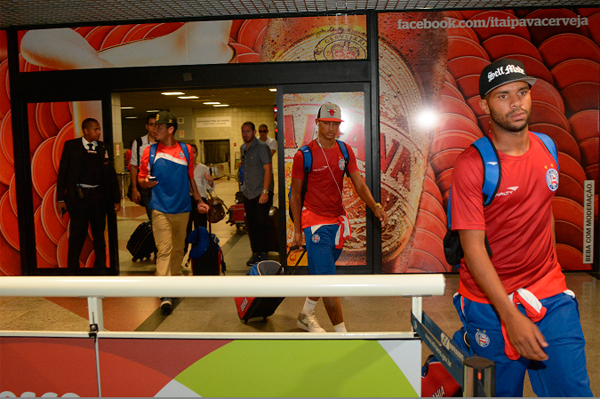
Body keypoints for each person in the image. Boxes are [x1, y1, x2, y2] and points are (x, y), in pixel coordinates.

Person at [450, 59, 592, 397]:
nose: (516, 103)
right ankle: (469, 337)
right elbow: (472, 250)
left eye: (522, 92)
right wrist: (510, 317)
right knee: (501, 393)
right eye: (503, 96)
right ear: (484, 104)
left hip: (550, 294)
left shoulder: (548, 147)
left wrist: (551, 271)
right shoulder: (473, 165)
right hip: (490, 301)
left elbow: (545, 211)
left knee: (573, 390)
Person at [290, 103, 388, 332]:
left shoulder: (345, 151)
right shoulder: (303, 155)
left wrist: (374, 206)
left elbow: (359, 183)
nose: (331, 128)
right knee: (327, 278)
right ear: (317, 123)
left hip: (336, 222)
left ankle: (305, 314)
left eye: (335, 124)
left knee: (319, 274)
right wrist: (297, 229)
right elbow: (295, 195)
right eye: (327, 123)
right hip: (314, 222)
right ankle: (342, 334)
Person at [138, 111, 209, 314]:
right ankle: (165, 292)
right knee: (164, 250)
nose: (155, 130)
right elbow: (141, 178)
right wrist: (145, 183)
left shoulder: (185, 150)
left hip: (183, 208)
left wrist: (199, 200)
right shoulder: (149, 152)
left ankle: (174, 281)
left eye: (159, 126)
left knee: (179, 248)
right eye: (153, 126)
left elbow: (190, 178)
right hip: (159, 208)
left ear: (170, 129)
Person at [55, 118, 121, 275]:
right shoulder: (72, 146)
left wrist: (116, 199)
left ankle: (101, 268)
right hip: (79, 198)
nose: (98, 132)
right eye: (95, 129)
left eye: (99, 129)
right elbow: (63, 173)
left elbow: (111, 175)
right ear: (85, 131)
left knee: (99, 234)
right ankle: (73, 269)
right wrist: (60, 198)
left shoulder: (104, 148)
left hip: (99, 197)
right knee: (77, 235)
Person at [239, 121, 273, 266]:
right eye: (243, 131)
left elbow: (268, 170)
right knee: (251, 225)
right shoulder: (242, 148)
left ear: (254, 132)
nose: (245, 134)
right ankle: (255, 253)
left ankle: (264, 253)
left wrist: (265, 192)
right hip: (248, 192)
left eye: (248, 131)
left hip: (261, 193)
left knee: (261, 224)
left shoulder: (262, 147)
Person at [185, 144, 214, 254]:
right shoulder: (183, 168)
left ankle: (201, 251)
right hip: (186, 200)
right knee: (185, 228)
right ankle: (183, 252)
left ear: (197, 154)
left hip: (201, 200)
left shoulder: (203, 168)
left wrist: (210, 180)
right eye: (188, 152)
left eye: (193, 152)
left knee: (200, 228)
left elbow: (209, 189)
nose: (191, 154)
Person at [129, 114, 157, 220]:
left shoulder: (165, 142)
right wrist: (135, 189)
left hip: (162, 186)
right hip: (145, 185)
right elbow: (134, 166)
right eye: (151, 125)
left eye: (157, 125)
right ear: (146, 126)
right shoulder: (139, 143)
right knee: (153, 216)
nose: (154, 128)